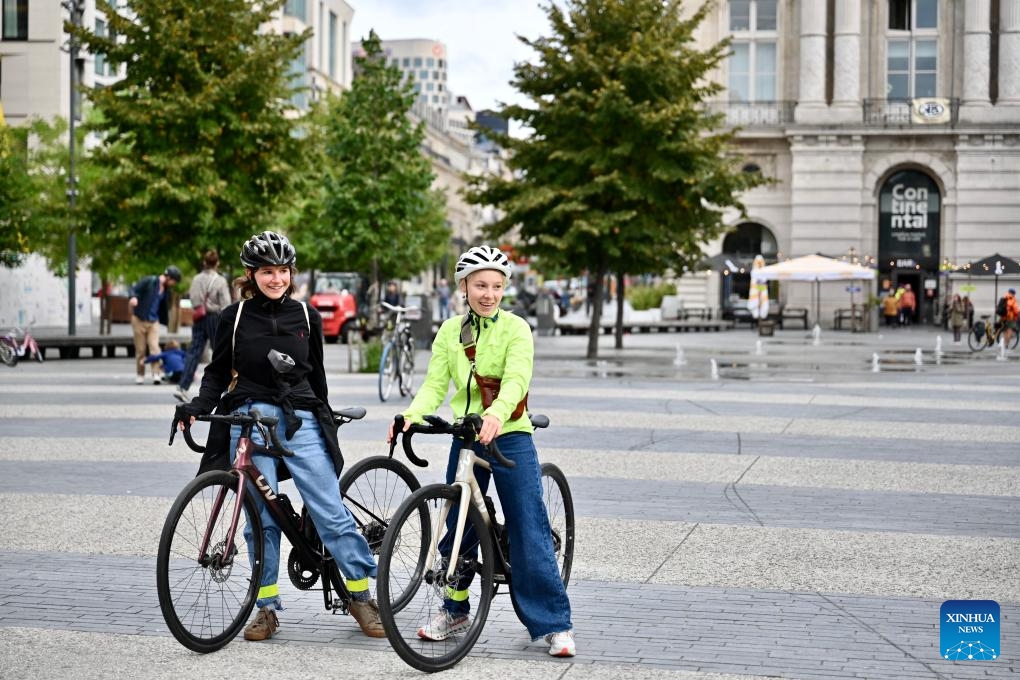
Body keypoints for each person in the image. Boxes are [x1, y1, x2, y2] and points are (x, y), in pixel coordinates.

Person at [175, 231, 384, 641]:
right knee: (261, 520)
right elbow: (217, 373)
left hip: (299, 416)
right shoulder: (232, 318)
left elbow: (316, 375)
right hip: (249, 417)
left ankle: (360, 595)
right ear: (251, 275)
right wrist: (198, 406)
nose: (276, 279)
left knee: (328, 511)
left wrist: (324, 419)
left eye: (283, 271)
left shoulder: (307, 316)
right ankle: (266, 608)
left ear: (291, 273)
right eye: (267, 272)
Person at [387, 245, 576, 658]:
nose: (488, 293)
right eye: (480, 285)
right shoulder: (451, 331)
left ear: (504, 288)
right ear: (464, 287)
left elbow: (515, 381)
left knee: (528, 523)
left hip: (509, 434)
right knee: (457, 525)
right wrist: (411, 415)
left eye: (495, 285)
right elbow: (436, 386)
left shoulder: (516, 329)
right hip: (467, 435)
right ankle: (455, 609)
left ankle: (554, 624)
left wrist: (497, 414)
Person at [175, 250, 231, 402]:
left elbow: (193, 299)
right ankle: (225, 387)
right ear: (217, 263)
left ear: (204, 263)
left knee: (194, 351)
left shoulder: (196, 279)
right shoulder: (220, 281)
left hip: (199, 317)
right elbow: (226, 304)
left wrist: (200, 307)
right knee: (220, 352)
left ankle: (182, 387)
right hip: (215, 318)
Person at [128, 266, 182, 385]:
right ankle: (140, 374)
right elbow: (133, 289)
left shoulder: (166, 290)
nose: (173, 284)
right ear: (169, 277)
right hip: (139, 319)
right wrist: (133, 297)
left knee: (154, 348)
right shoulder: (150, 281)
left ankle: (156, 374)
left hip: (153, 321)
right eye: (174, 281)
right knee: (140, 350)